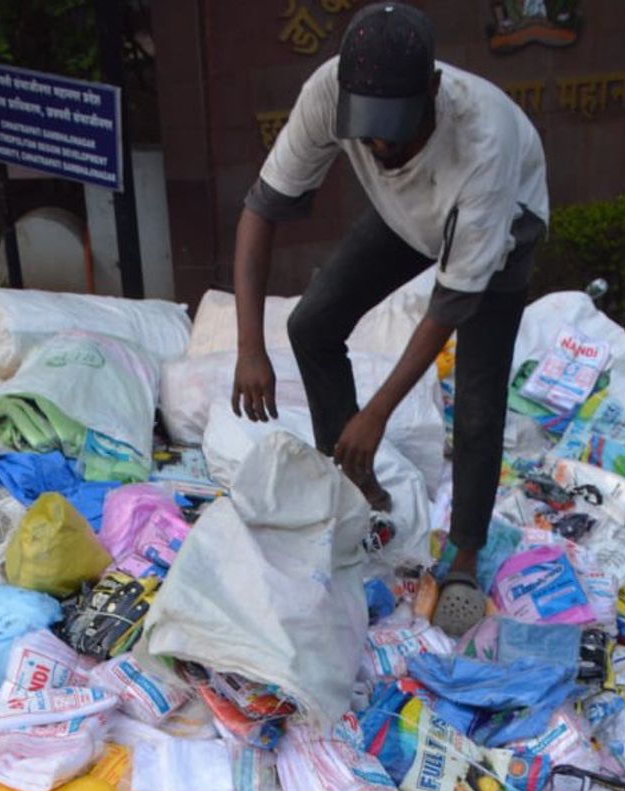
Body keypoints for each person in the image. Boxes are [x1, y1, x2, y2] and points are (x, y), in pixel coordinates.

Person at [231, 1, 548, 636]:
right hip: (411, 215)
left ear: (431, 91)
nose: (380, 148)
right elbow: (261, 209)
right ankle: (354, 484)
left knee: (478, 403)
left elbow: (450, 303)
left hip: (504, 228)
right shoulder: (329, 92)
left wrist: (376, 413)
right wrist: (249, 348)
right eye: (368, 133)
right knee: (311, 325)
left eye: (395, 133)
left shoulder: (483, 141)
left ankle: (463, 556)